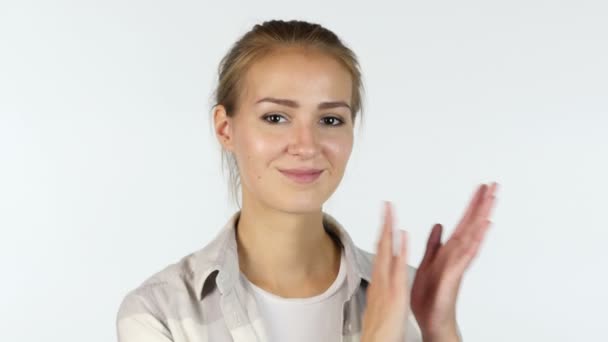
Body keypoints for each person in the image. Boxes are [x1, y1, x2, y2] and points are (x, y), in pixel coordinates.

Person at [116, 19, 498, 342]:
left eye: (330, 120)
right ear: (225, 127)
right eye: (276, 117)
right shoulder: (159, 312)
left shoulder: (409, 297)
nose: (306, 145)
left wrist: (439, 327)